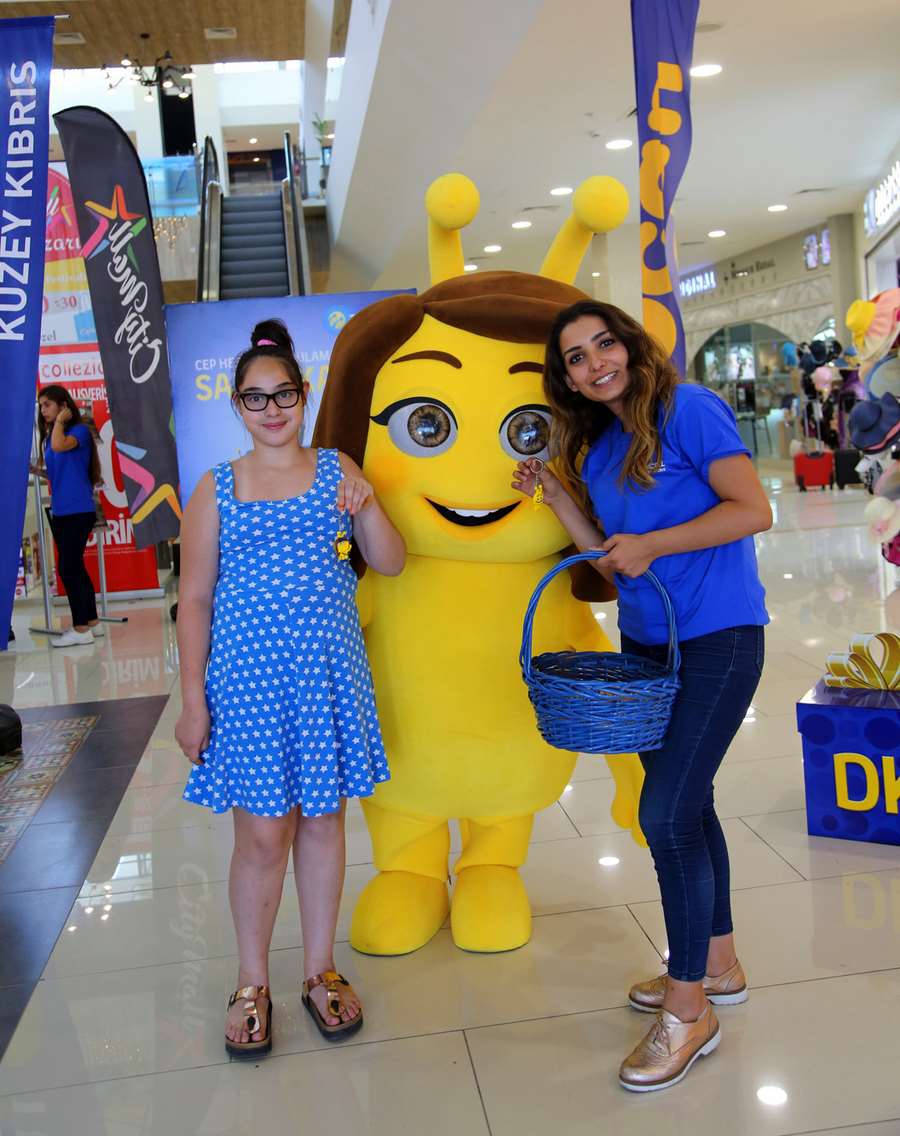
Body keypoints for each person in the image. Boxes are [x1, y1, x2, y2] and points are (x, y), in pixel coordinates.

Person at [512, 300, 772, 1093]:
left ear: (629, 344)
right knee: (690, 807)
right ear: (568, 380)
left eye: (604, 344)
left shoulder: (688, 408)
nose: (597, 363)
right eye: (577, 358)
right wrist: (557, 497)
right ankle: (718, 965)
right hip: (649, 646)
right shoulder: (600, 447)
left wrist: (655, 542)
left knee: (663, 814)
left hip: (720, 637)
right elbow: (608, 559)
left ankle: (690, 1012)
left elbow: (753, 509)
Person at [175, 319, 406, 1058]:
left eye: (283, 395)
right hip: (247, 687)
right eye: (255, 397)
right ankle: (252, 982)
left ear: (304, 396)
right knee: (262, 833)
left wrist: (367, 502)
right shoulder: (217, 488)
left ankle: (319, 970)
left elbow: (391, 562)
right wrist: (192, 700)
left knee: (323, 822)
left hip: (326, 679)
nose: (271, 409)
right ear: (237, 405)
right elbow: (194, 601)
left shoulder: (338, 470)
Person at [35, 385, 103, 647]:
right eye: (41, 406)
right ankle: (92, 622)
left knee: (67, 568)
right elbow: (56, 472)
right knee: (75, 567)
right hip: (62, 511)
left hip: (79, 510)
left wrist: (61, 422)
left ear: (63, 406)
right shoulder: (50, 437)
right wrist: (36, 470)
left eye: (48, 405)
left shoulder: (79, 431)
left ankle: (80, 629)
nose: (43, 410)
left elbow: (60, 446)